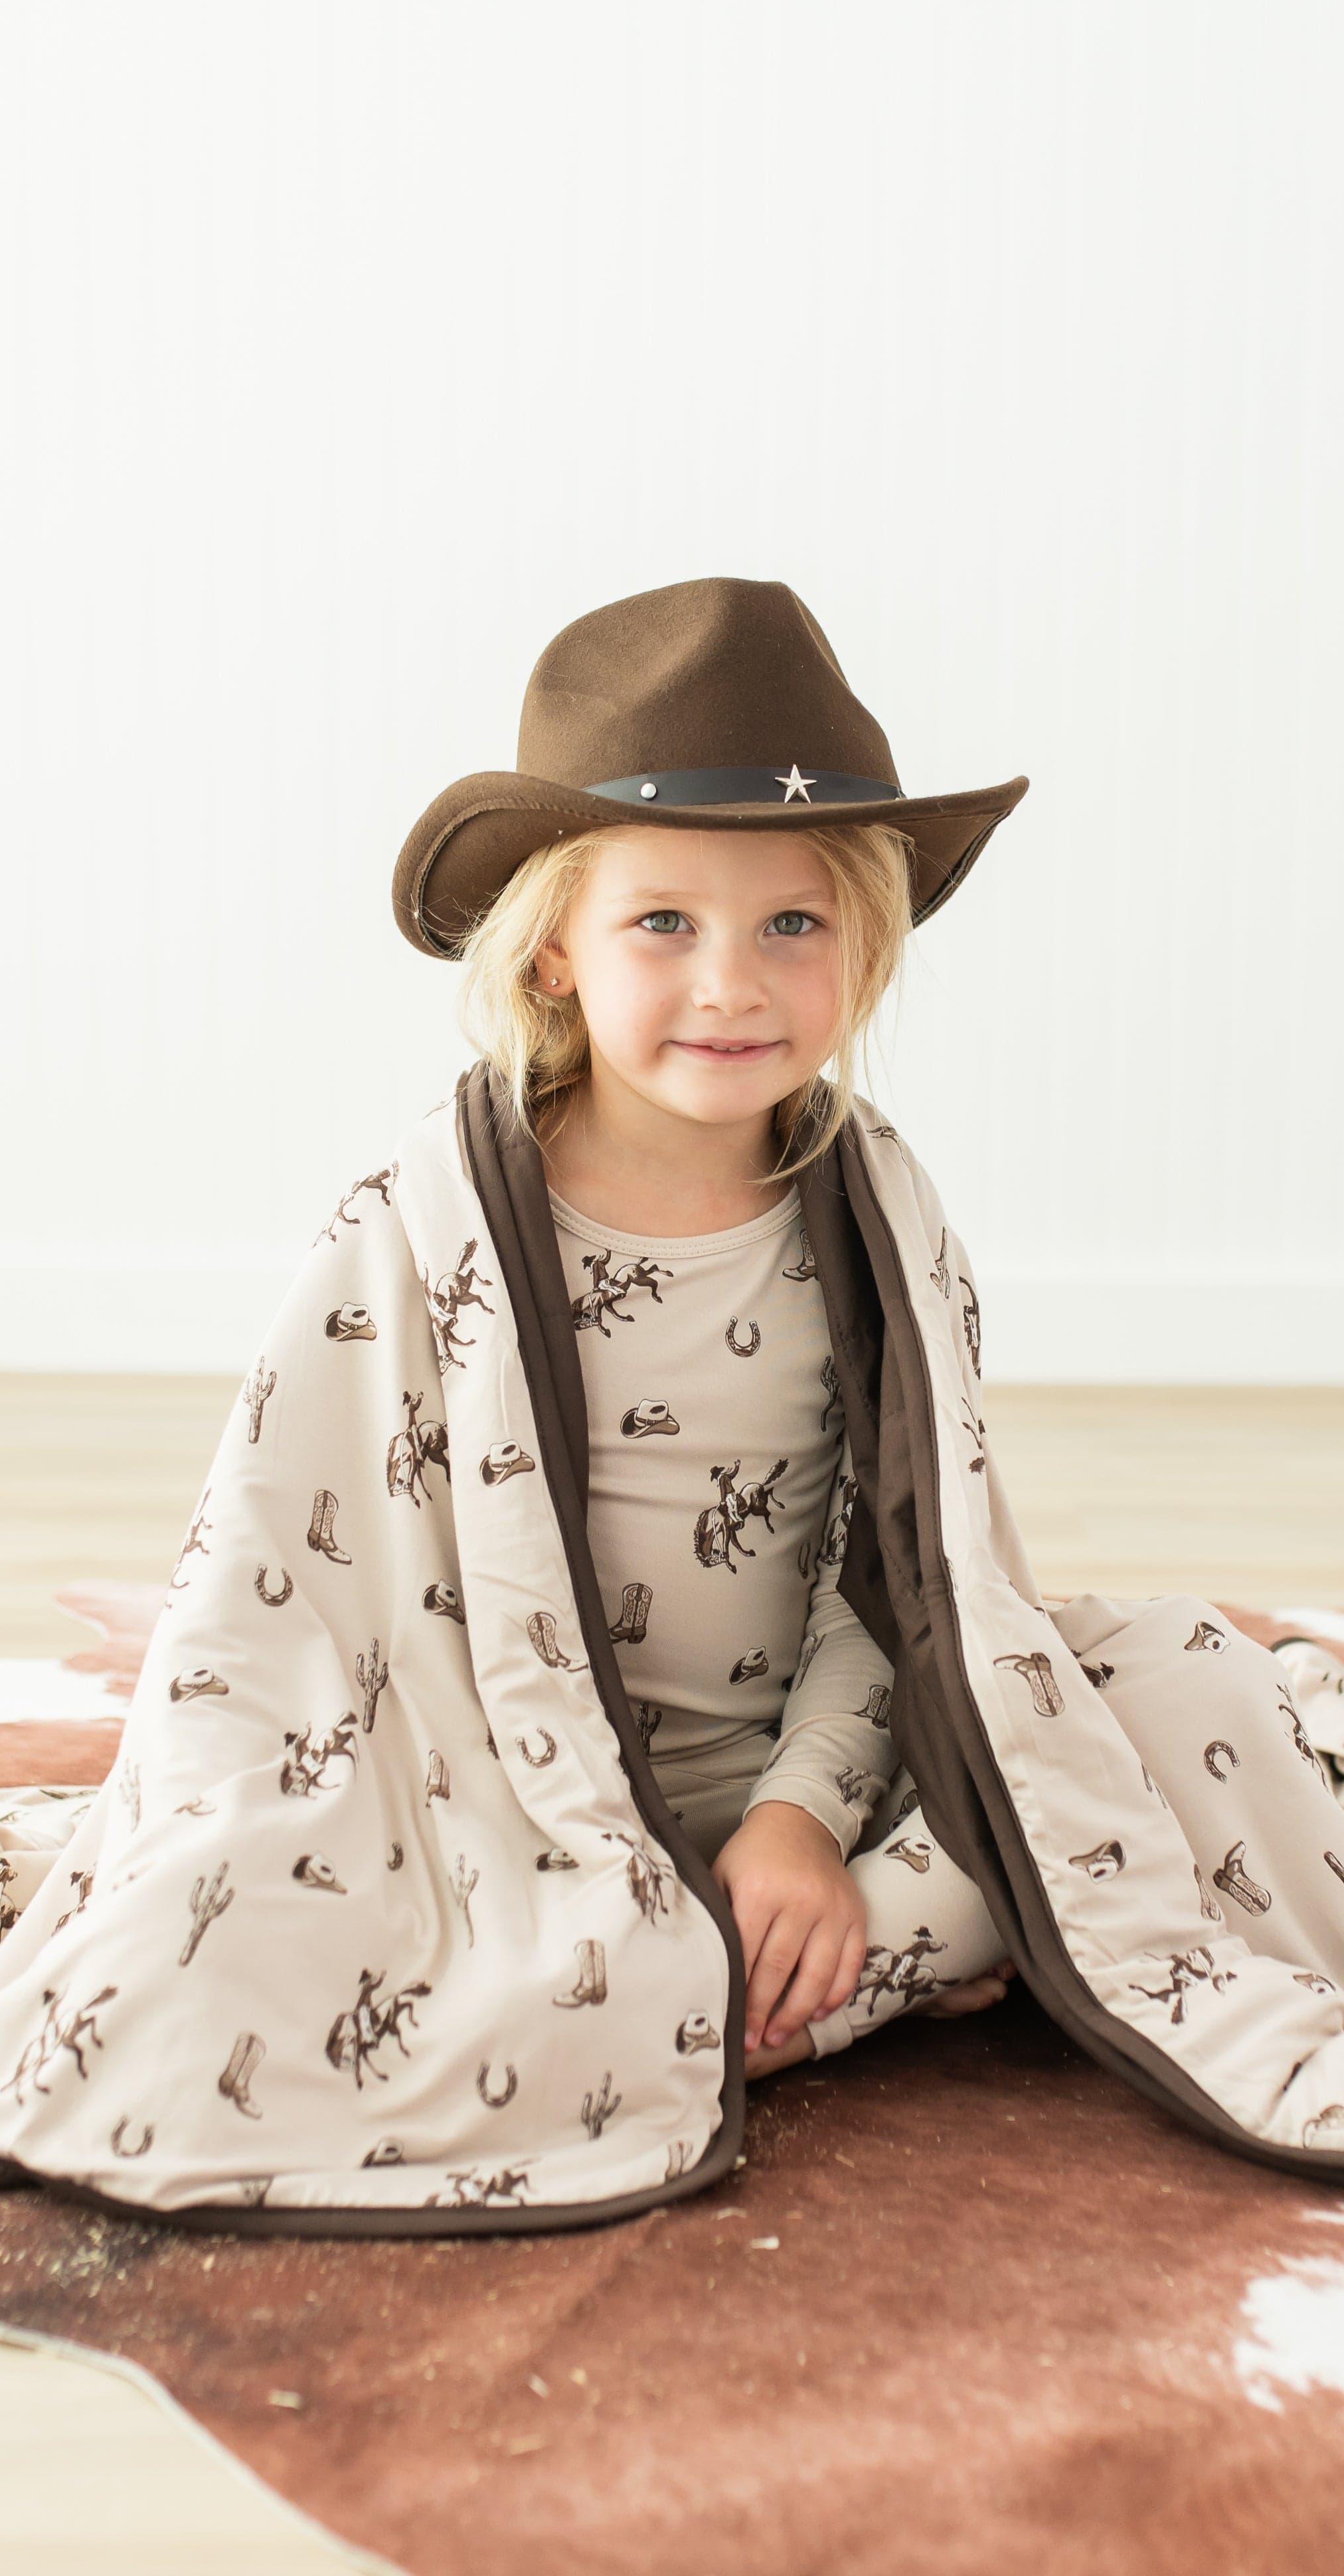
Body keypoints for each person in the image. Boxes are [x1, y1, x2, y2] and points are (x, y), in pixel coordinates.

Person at [435, 596, 1023, 2082]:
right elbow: (359, 1570)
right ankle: (733, 1989)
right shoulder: (428, 1218)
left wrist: (800, 1820)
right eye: (663, 924)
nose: (733, 982)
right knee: (306, 1893)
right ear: (554, 949)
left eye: (791, 923)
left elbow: (890, 1569)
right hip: (504, 1787)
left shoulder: (878, 1217)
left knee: (1089, 1784)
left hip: (805, 1773)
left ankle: (748, 1958)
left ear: (861, 945)